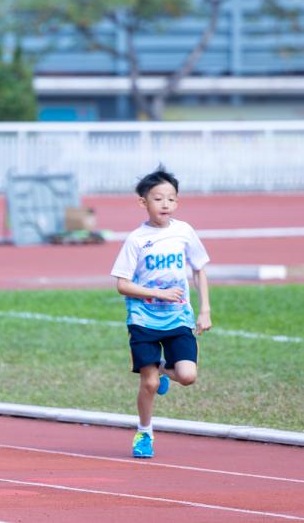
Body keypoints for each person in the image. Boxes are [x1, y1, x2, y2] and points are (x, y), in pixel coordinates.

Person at [109, 166, 212, 459]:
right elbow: (122, 285)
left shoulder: (184, 232)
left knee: (188, 376)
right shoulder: (136, 239)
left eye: (171, 198)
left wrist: (205, 309)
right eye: (158, 199)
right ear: (143, 202)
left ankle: (162, 368)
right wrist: (158, 293)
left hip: (178, 317)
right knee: (150, 383)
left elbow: (199, 269)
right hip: (143, 319)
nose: (165, 204)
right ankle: (144, 432)